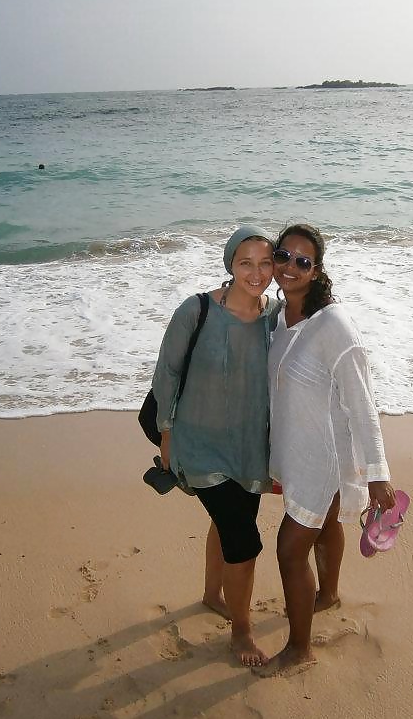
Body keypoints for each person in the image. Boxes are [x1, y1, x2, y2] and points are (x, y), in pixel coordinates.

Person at [264, 223, 397, 674]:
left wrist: (379, 472)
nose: (290, 268)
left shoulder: (335, 326)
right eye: (283, 256)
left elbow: (363, 403)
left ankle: (299, 650)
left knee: (288, 549)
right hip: (297, 448)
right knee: (323, 529)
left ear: (317, 270)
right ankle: (329, 594)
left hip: (322, 457)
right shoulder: (280, 318)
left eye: (303, 261)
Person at [151, 227, 279, 666]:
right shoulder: (197, 309)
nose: (256, 272)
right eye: (246, 262)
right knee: (243, 539)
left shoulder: (276, 315)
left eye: (265, 263)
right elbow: (166, 373)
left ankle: (211, 595)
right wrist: (167, 435)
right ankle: (241, 633)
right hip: (198, 441)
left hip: (248, 445)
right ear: (230, 264)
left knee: (232, 519)